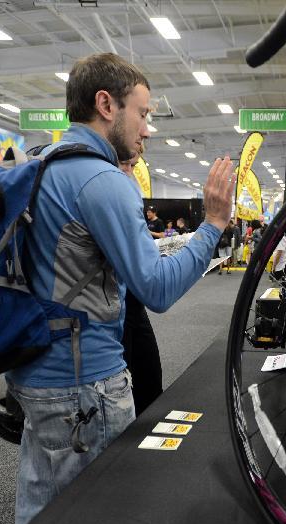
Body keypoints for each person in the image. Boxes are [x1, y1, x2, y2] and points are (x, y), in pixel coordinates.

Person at [5, 52, 234, 524]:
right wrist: (212, 225)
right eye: (144, 113)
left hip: (34, 373)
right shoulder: (101, 179)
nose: (148, 129)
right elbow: (158, 288)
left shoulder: (41, 164)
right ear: (106, 104)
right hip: (85, 385)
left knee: (40, 510)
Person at [119, 149, 165, 414]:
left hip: (133, 301)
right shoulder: (102, 187)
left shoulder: (125, 193)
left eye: (134, 166)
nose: (132, 172)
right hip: (110, 306)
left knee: (149, 378)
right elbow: (159, 292)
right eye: (128, 165)